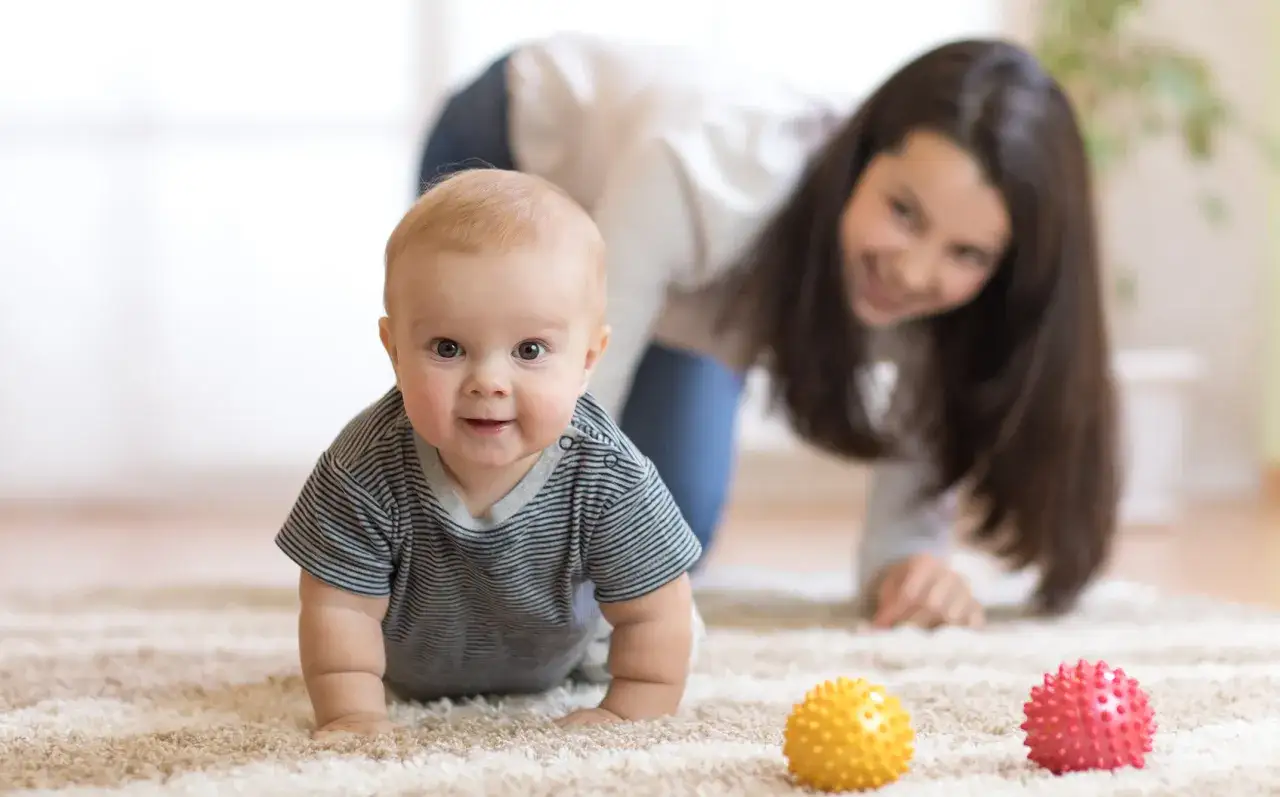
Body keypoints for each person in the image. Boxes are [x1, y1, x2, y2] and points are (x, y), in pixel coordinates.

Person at [414, 33, 1120, 630]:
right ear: (857, 157)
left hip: (686, 279)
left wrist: (909, 567)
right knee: (504, 442)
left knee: (666, 539)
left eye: (967, 254)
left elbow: (903, 512)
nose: (913, 271)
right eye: (903, 211)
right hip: (518, 143)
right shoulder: (708, 174)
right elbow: (579, 392)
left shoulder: (924, 290)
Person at [276, 168, 705, 737]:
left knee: (674, 626)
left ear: (587, 360)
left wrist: (629, 708)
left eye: (530, 350)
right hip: (404, 668)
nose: (488, 381)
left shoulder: (606, 472)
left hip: (560, 659)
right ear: (395, 350)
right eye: (447, 348)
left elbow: (655, 607)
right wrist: (352, 711)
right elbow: (339, 609)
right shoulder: (363, 468)